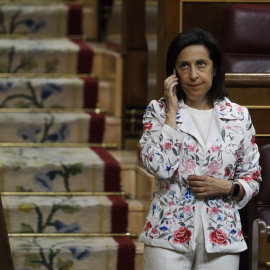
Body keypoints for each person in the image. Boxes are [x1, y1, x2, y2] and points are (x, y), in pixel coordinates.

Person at [139, 28, 262, 270]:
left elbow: (253, 177)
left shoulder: (238, 116)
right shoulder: (158, 112)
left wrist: (227, 186)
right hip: (168, 233)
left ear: (215, 68)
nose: (193, 74)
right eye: (184, 66)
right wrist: (172, 112)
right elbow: (160, 167)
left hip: (221, 235)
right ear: (173, 73)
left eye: (201, 64)